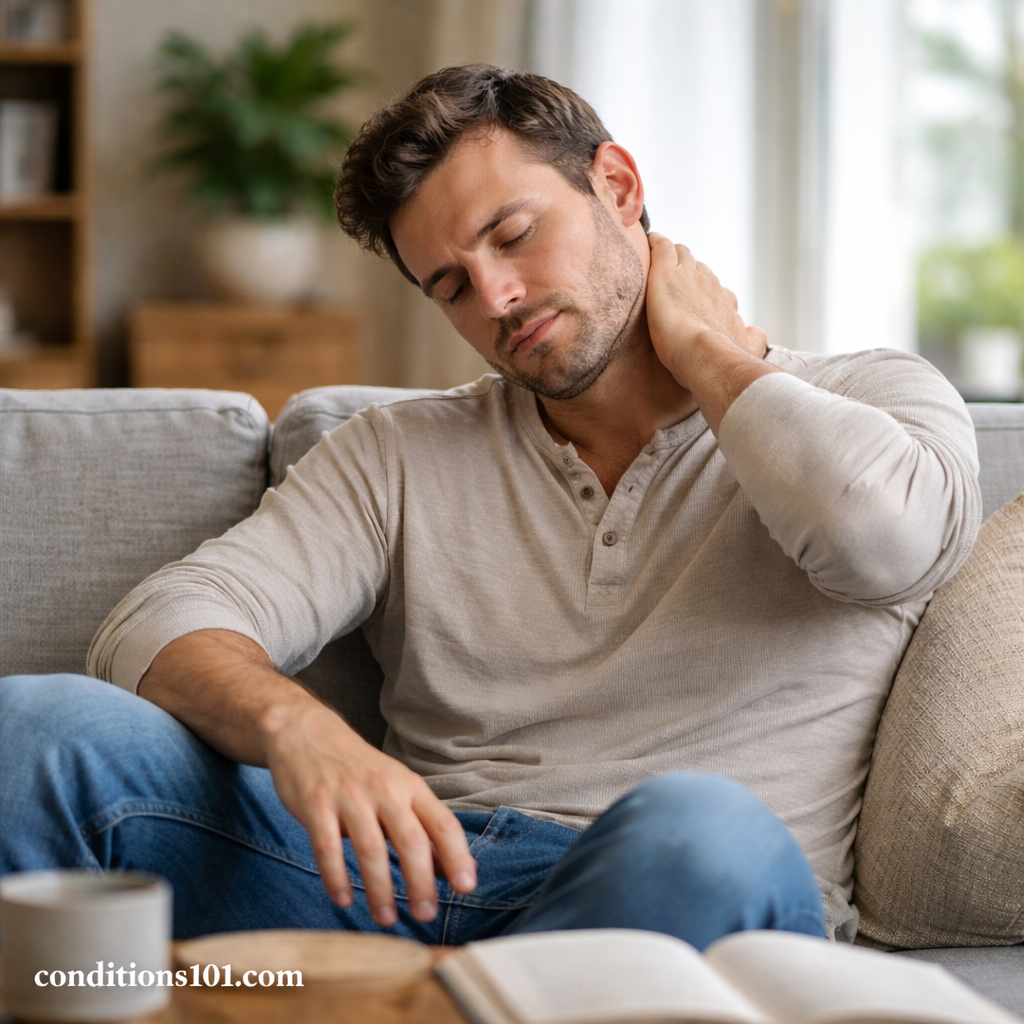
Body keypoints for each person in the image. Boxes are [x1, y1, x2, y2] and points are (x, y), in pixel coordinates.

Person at [0, 65, 980, 947]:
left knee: (702, 823)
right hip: (415, 881)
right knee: (40, 728)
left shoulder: (873, 398)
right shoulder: (395, 455)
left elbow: (884, 543)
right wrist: (305, 732)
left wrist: (709, 354)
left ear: (619, 187)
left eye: (513, 235)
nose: (498, 297)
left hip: (681, 892)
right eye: (451, 284)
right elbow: (157, 624)